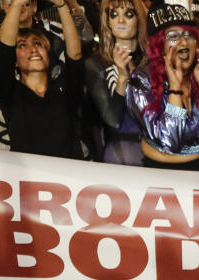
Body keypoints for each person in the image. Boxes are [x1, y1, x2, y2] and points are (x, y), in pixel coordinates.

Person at [126, 0, 199, 171]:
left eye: (188, 35)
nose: (184, 43)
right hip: (164, 175)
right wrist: (175, 89)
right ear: (159, 46)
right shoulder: (141, 81)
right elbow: (170, 142)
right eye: (173, 36)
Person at [0, 0, 85, 159]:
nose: (32, 49)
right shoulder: (10, 93)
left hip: (69, 181)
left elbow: (75, 56)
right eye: (22, 46)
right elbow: (5, 47)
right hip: (27, 182)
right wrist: (17, 3)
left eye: (38, 43)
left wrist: (61, 5)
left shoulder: (65, 89)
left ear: (48, 53)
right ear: (15, 61)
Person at [85, 0, 148, 165]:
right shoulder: (96, 64)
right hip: (119, 157)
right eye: (114, 14)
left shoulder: (153, 63)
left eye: (128, 14)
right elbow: (113, 120)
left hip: (157, 155)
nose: (121, 21)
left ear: (139, 19)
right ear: (108, 22)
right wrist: (122, 78)